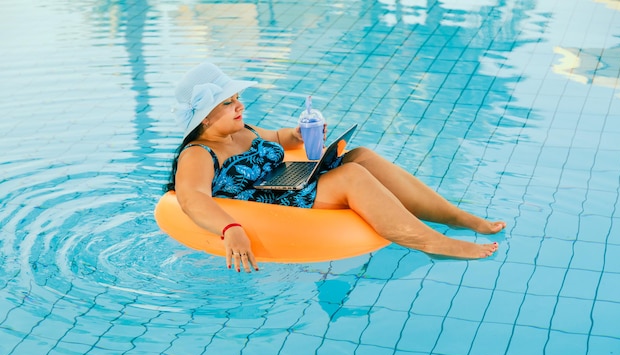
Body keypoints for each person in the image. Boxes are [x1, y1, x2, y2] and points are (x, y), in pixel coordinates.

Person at [167, 61, 506, 272]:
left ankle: (456, 217)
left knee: (361, 156)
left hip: (285, 182)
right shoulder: (197, 153)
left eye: (237, 98)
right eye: (228, 103)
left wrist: (297, 134)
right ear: (205, 117)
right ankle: (432, 242)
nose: (240, 105)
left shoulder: (243, 130)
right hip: (264, 203)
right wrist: (231, 229)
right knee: (352, 176)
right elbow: (192, 199)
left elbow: (279, 138)